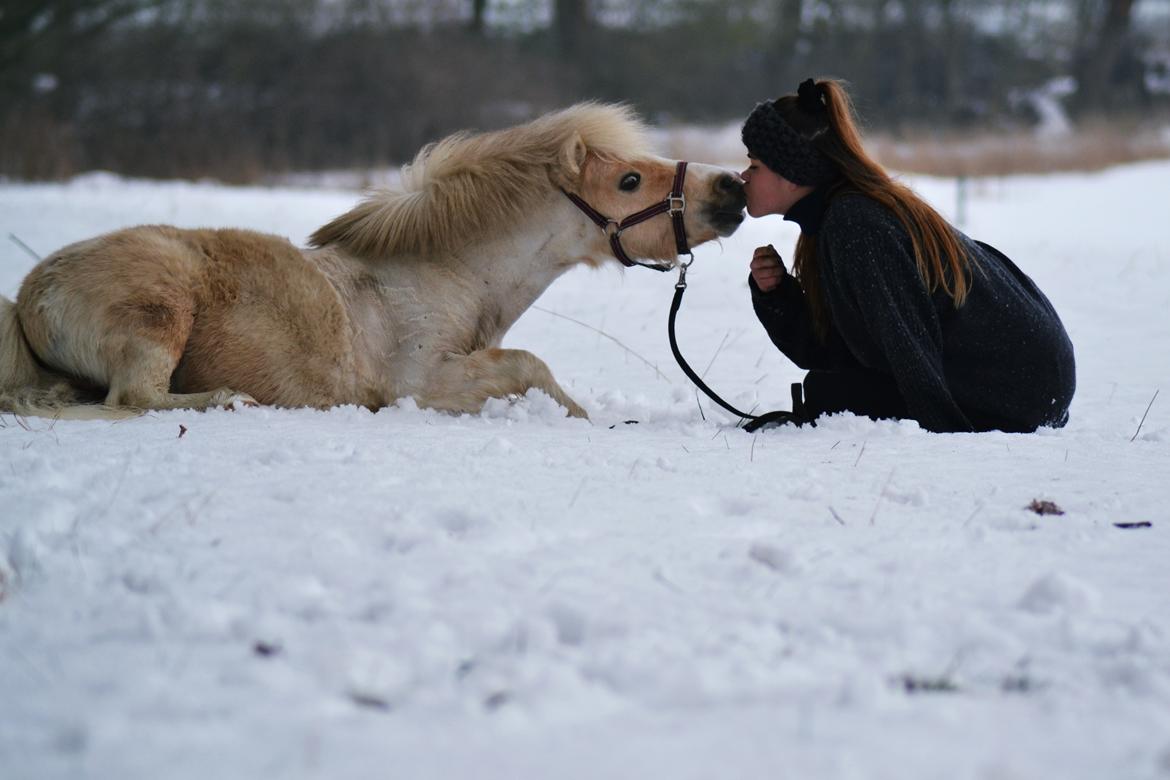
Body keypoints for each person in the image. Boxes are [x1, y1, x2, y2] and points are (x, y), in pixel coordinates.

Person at [739, 78, 1075, 433]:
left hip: (1020, 388)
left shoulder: (854, 223)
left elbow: (907, 342)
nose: (744, 176)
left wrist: (941, 433)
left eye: (755, 166)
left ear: (791, 175)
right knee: (828, 391)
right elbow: (841, 349)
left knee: (829, 396)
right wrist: (778, 295)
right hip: (1028, 382)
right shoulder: (834, 220)